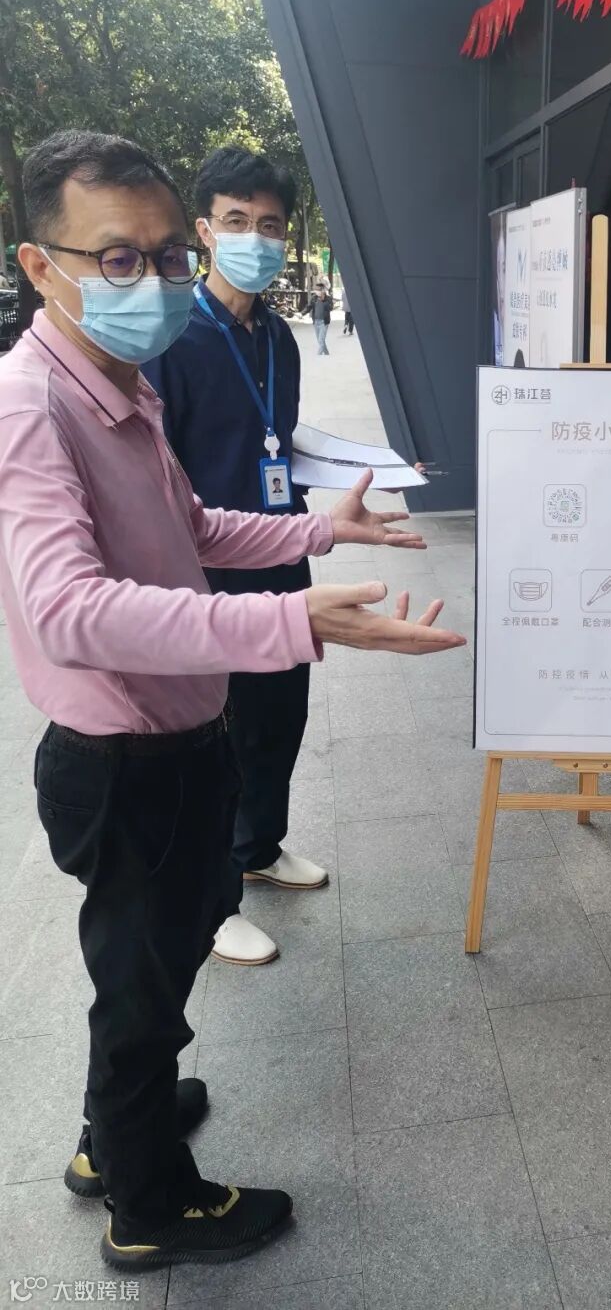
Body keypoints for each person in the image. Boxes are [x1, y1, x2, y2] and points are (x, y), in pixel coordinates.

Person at [0, 130, 465, 1270]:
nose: (157, 282)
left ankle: (116, 1133)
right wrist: (293, 622)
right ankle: (150, 1205)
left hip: (178, 735)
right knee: (141, 981)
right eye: (120, 258)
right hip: (124, 757)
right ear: (40, 265)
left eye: (167, 255)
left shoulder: (118, 382)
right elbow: (65, 609)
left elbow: (193, 527)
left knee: (160, 961)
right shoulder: (31, 407)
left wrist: (317, 532)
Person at [145, 147, 385, 969]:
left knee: (280, 720)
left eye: (271, 224)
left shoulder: (279, 337)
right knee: (217, 738)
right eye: (237, 221)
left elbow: (276, 442)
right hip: (208, 576)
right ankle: (212, 902)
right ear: (205, 230)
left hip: (283, 558)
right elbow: (160, 474)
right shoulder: (172, 338)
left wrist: (365, 472)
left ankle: (258, 846)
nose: (256, 237)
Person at [309, 279, 332, 355]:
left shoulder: (328, 298)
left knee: (321, 340)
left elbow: (330, 308)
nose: (317, 291)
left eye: (319, 290)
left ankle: (318, 356)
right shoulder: (314, 298)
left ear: (323, 290)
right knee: (320, 341)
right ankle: (327, 354)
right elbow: (309, 306)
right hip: (316, 322)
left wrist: (323, 300)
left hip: (324, 322)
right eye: (316, 289)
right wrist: (301, 314)